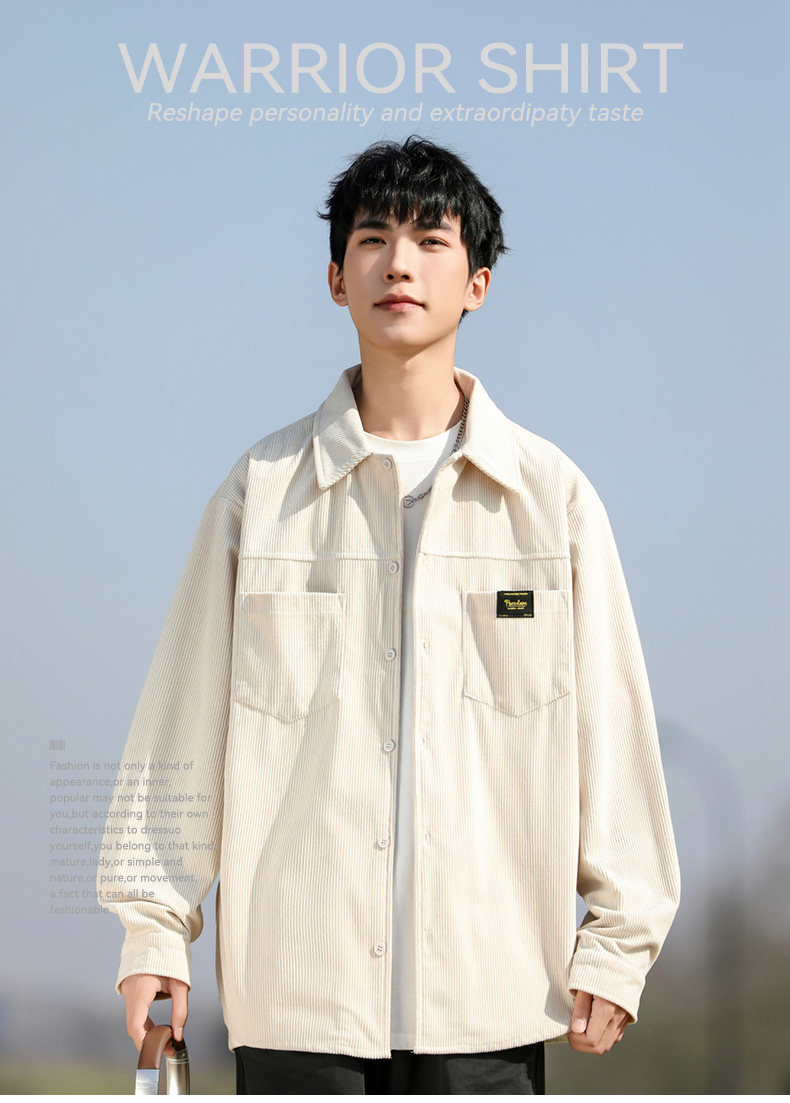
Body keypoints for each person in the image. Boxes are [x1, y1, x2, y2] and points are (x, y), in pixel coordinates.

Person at [97, 135, 681, 1095]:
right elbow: (180, 729)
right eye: (372, 238)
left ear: (478, 283)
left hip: (494, 1003)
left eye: (430, 240)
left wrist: (619, 944)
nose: (398, 263)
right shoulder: (261, 494)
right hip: (300, 1002)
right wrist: (154, 929)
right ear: (337, 278)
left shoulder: (552, 502)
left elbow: (611, 738)